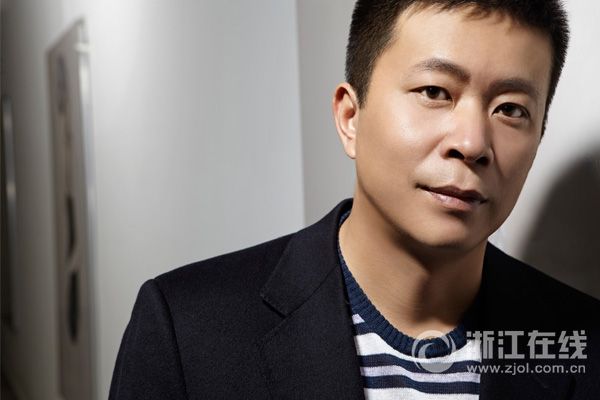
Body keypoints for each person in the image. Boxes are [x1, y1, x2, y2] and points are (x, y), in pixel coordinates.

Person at [109, 1, 600, 399]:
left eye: (511, 109)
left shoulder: (585, 343)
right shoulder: (187, 328)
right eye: (434, 92)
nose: (472, 143)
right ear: (350, 117)